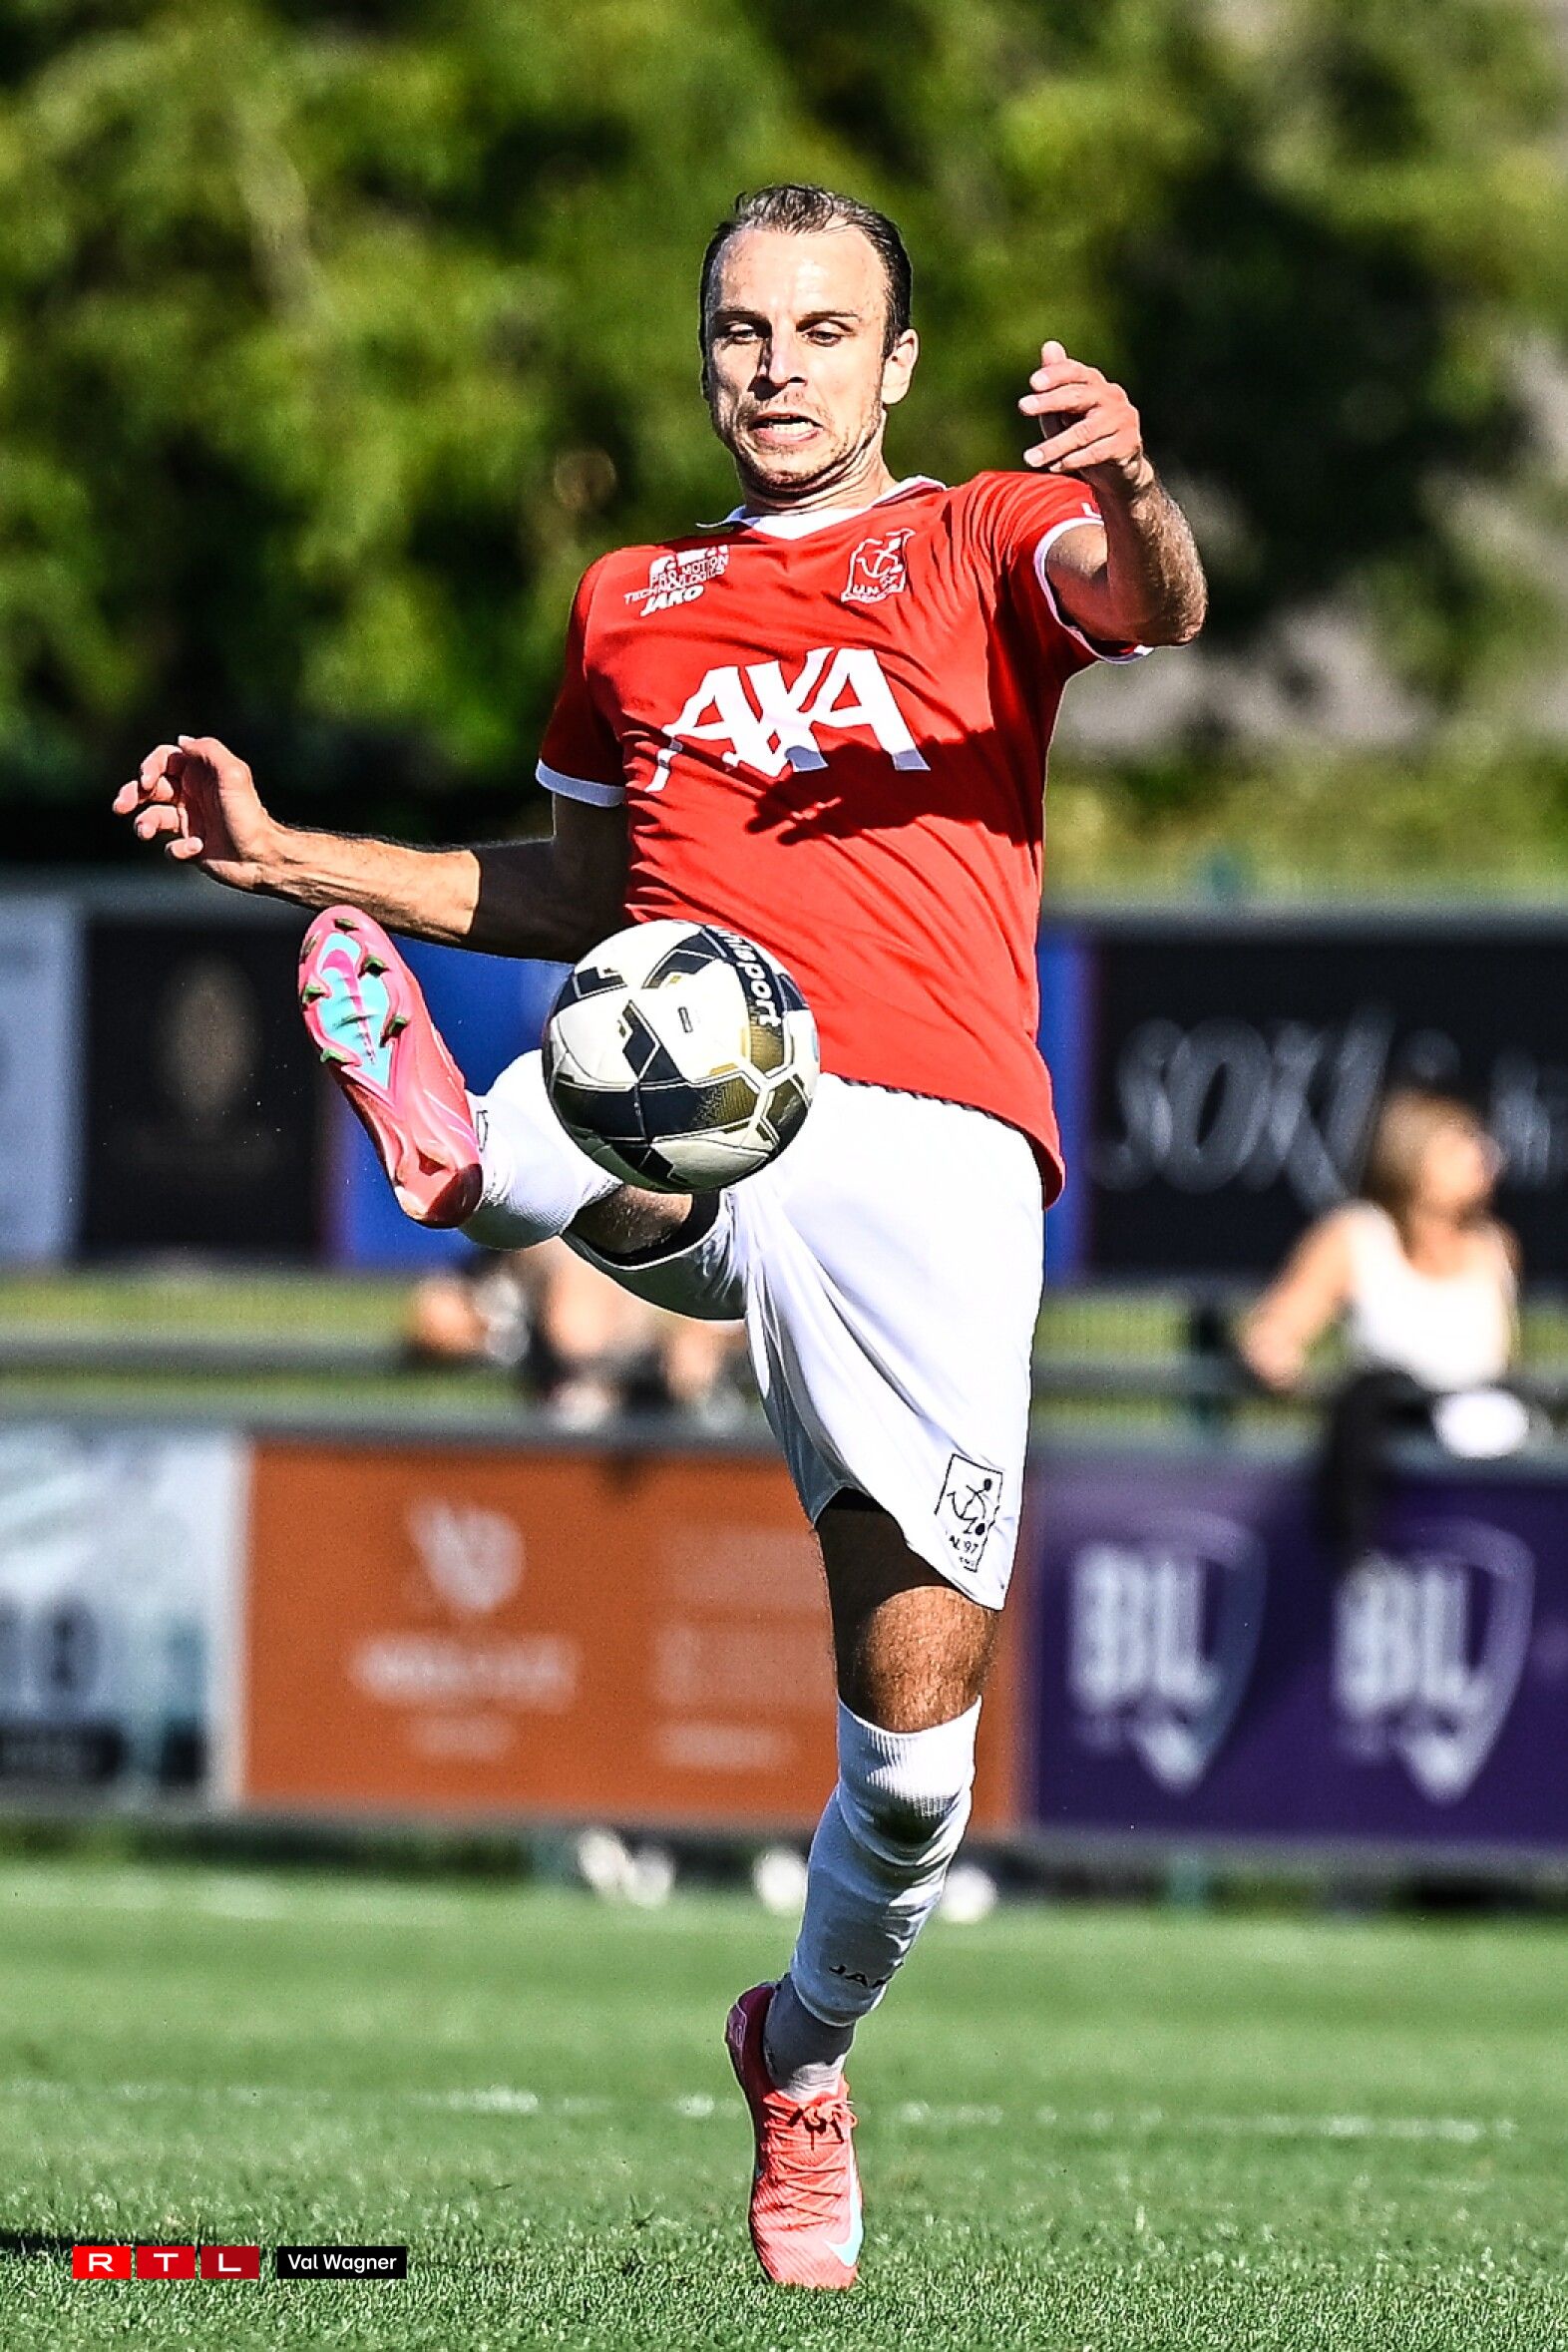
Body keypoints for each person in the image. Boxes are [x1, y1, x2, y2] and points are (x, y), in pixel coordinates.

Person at [114, 182, 1205, 2290]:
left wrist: (1137, 483)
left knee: (915, 1775)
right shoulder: (631, 599)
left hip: (942, 1162)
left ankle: (798, 2053)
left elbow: (1151, 605)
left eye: (821, 330)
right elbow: (571, 892)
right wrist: (288, 854)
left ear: (895, 363)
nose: (774, 368)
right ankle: (477, 1164)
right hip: (712, 1079)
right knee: (654, 1036)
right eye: (739, 330)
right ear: (705, 353)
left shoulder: (978, 539)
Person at [1239, 1087, 1525, 1561]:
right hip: (1391, 1464)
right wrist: (1274, 1352)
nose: (1483, 1161)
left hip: (1490, 1463)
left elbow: (1505, 1362)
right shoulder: (1354, 1236)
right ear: (1412, 1157)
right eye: (1461, 1147)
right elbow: (1281, 1324)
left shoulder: (1496, 1247)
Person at [406, 1239, 748, 1425]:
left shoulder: (684, 1231)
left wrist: (706, 1335)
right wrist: (498, 1333)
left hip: (682, 1452)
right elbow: (436, 1315)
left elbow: (754, 1300)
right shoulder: (518, 1247)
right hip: (561, 1451)